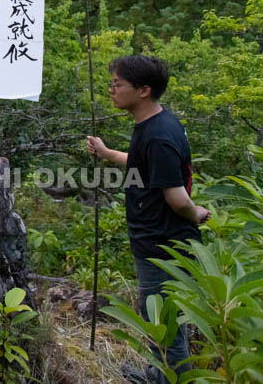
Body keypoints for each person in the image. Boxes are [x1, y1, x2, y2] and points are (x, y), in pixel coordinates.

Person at [86, 55, 210, 383]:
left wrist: (195, 213)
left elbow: (177, 199)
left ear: (143, 90)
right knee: (160, 319)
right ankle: (159, 374)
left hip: (163, 244)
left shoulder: (159, 135)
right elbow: (146, 165)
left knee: (165, 326)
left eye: (117, 84)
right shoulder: (153, 125)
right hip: (155, 239)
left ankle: (169, 378)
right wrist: (109, 153)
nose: (111, 90)